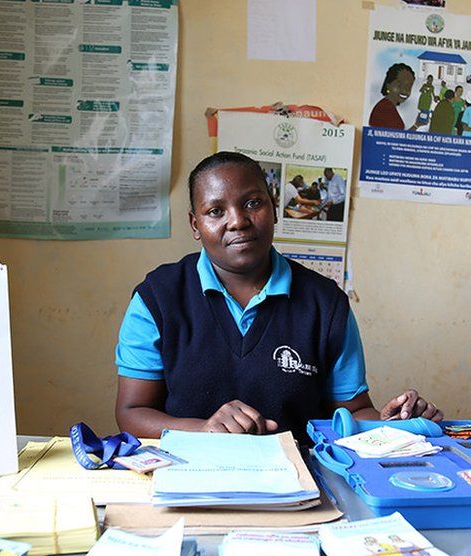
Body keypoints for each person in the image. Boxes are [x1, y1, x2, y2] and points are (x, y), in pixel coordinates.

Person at [114, 152, 443, 438]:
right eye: (216, 211)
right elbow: (132, 412)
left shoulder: (325, 304)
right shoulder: (157, 299)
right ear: (195, 224)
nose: (238, 221)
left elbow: (354, 412)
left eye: (252, 203)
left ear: (273, 208)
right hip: (189, 478)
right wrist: (203, 431)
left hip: (304, 483)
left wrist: (392, 425)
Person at [368, 63, 415, 130]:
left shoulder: (388, 106)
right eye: (399, 85)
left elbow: (398, 138)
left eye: (409, 87)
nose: (405, 91)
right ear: (388, 85)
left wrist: (417, 125)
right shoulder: (384, 109)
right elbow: (397, 139)